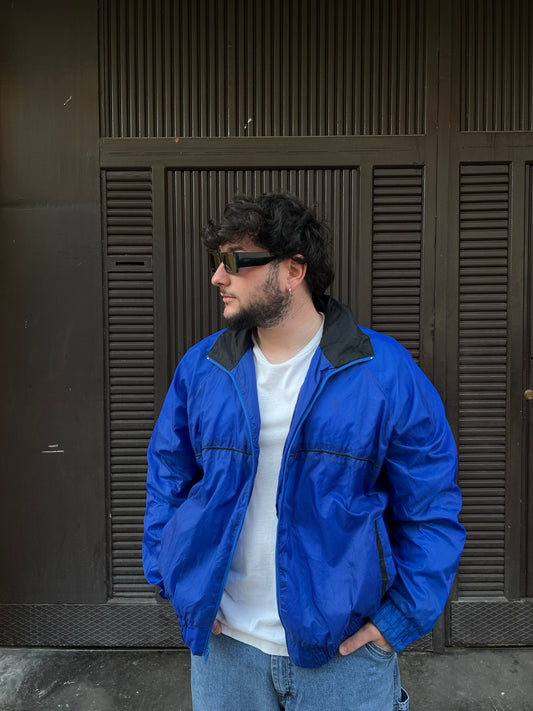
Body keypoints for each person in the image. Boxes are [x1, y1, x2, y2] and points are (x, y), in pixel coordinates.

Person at [142, 193, 465, 711]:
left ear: (293, 270)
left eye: (235, 261)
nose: (217, 277)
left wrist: (400, 619)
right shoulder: (202, 369)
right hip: (225, 652)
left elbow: (430, 504)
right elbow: (168, 479)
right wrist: (178, 584)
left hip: (345, 654)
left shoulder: (384, 372)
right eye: (216, 261)